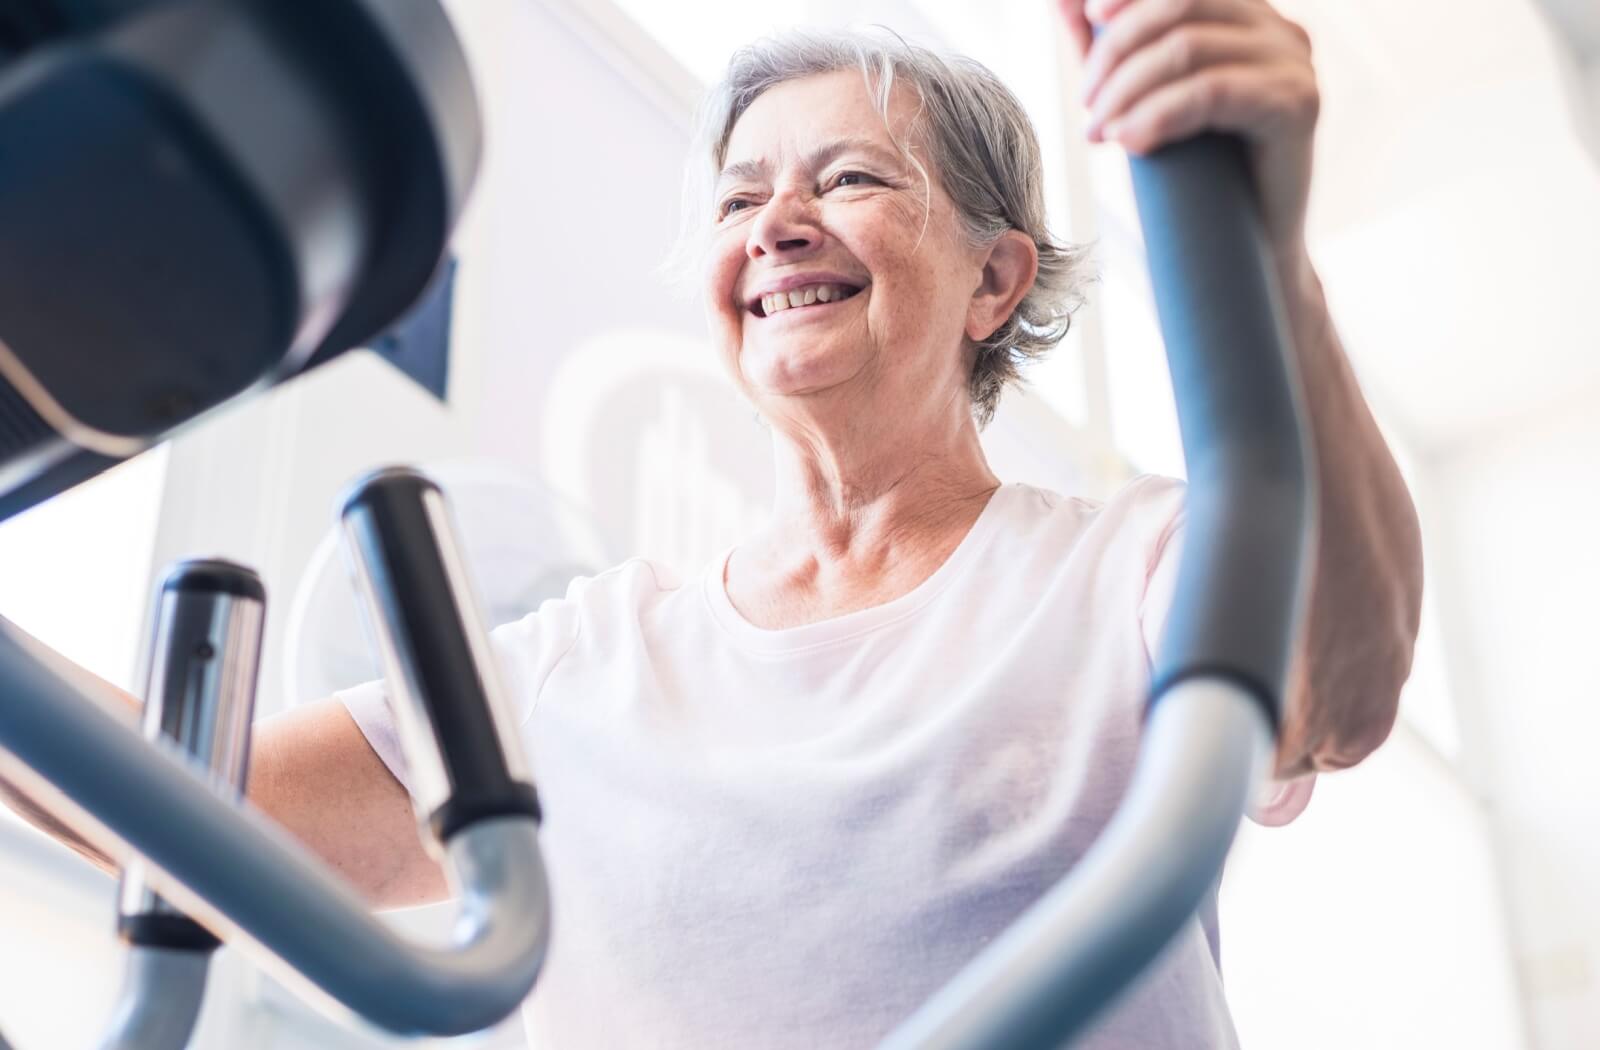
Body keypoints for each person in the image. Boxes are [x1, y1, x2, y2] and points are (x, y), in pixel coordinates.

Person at [1, 1, 1423, 1046]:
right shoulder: (587, 655)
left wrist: (1272, 252)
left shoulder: (1125, 567)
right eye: (745, 196)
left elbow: (1341, 692)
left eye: (850, 178)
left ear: (996, 280)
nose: (779, 224)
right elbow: (185, 809)